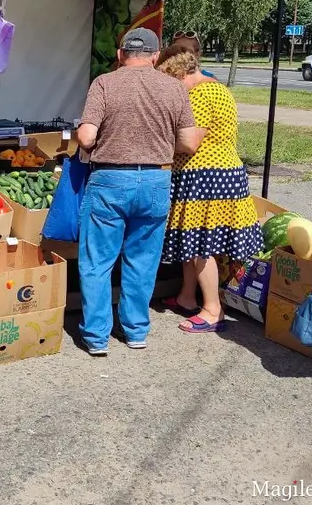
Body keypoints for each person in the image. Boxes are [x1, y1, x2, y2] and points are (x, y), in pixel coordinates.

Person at [76, 28, 201, 355]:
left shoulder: (104, 83)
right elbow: (189, 142)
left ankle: (96, 337)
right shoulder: (174, 87)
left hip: (110, 182)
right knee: (143, 262)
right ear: (155, 56)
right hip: (155, 183)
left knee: (97, 262)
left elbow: (87, 137)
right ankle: (135, 331)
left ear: (120, 55)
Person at [156, 42, 262, 333]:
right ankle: (187, 297)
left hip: (207, 177)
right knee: (193, 242)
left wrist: (157, 141)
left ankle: (212, 309)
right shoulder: (217, 88)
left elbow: (190, 142)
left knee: (202, 245)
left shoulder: (201, 93)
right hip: (214, 174)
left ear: (176, 73)